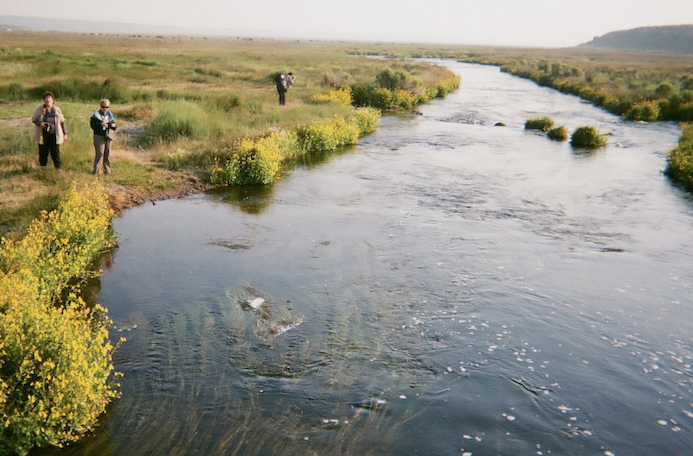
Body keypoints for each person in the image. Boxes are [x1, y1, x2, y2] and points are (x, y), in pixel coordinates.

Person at [31, 91, 67, 169]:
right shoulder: (40, 109)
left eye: (49, 98)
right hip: (43, 135)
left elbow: (62, 121)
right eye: (46, 98)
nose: (47, 100)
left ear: (53, 100)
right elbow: (33, 119)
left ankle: (58, 169)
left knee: (55, 152)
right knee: (43, 152)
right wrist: (40, 123)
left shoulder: (57, 109)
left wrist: (65, 134)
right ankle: (43, 168)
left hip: (54, 134)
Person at [90, 98, 116, 175]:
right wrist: (100, 124)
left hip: (108, 136)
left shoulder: (110, 115)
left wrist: (111, 125)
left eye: (107, 107)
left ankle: (107, 171)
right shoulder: (95, 115)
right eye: (103, 107)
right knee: (100, 153)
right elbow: (92, 126)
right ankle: (96, 171)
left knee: (107, 153)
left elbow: (114, 126)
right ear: (100, 106)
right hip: (99, 136)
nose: (105, 109)